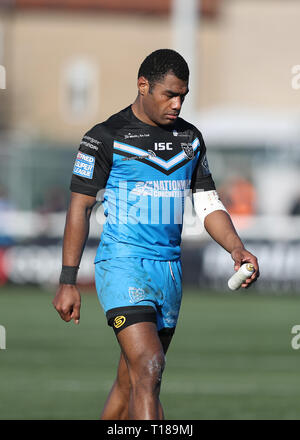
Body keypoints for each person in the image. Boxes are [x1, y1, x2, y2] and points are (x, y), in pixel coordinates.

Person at [52, 49, 259, 420]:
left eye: (183, 95)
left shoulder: (190, 139)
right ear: (143, 86)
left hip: (169, 271)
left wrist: (236, 248)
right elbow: (79, 208)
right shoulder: (104, 137)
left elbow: (209, 205)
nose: (177, 103)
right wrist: (68, 280)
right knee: (149, 366)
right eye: (169, 94)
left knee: (131, 382)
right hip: (123, 263)